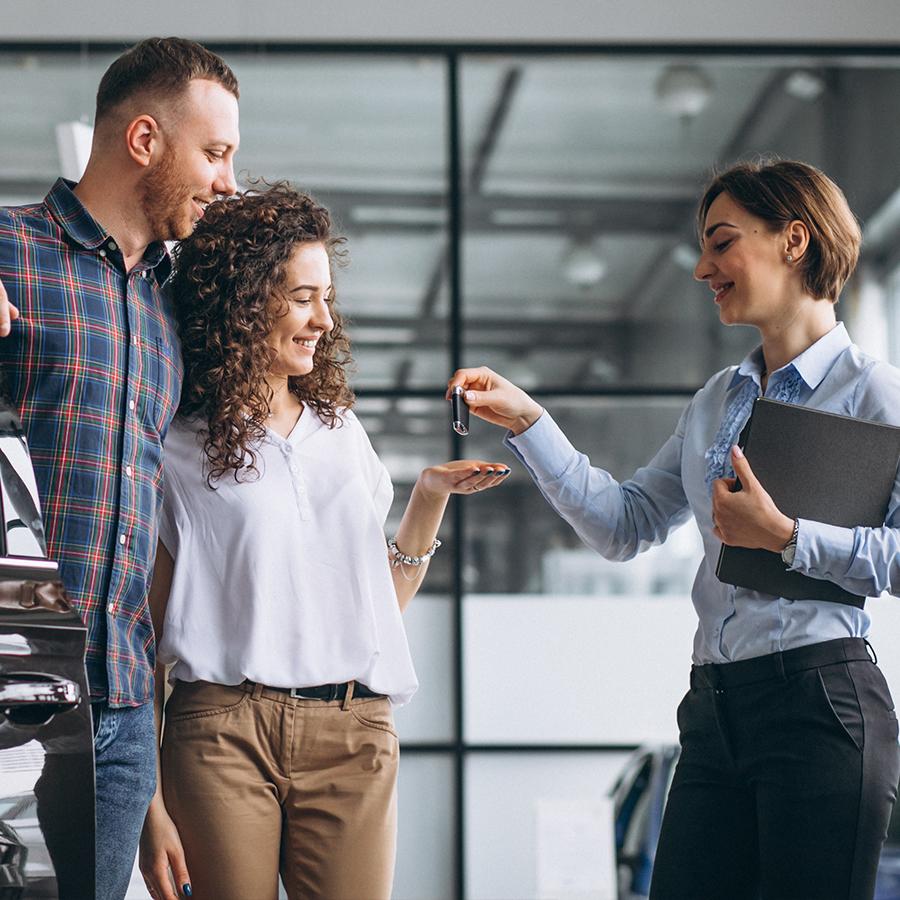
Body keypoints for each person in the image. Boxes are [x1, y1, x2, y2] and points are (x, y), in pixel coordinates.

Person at [449, 159, 900, 900]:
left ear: (794, 240)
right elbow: (624, 524)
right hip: (714, 711)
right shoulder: (719, 400)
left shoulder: (874, 394)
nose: (702, 267)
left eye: (722, 243)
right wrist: (531, 422)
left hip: (821, 706)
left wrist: (788, 536)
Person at [137, 183, 510, 900]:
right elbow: (146, 638)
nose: (324, 319)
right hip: (222, 732)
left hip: (353, 729)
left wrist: (427, 498)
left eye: (327, 297)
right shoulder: (176, 448)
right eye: (304, 297)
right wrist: (150, 806)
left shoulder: (341, 436)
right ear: (244, 302)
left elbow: (377, 606)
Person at [0, 37, 240, 899]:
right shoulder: (9, 249)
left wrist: (156, 805)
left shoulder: (178, 304)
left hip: (124, 705)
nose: (228, 180)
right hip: (9, 685)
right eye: (214, 154)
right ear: (144, 140)